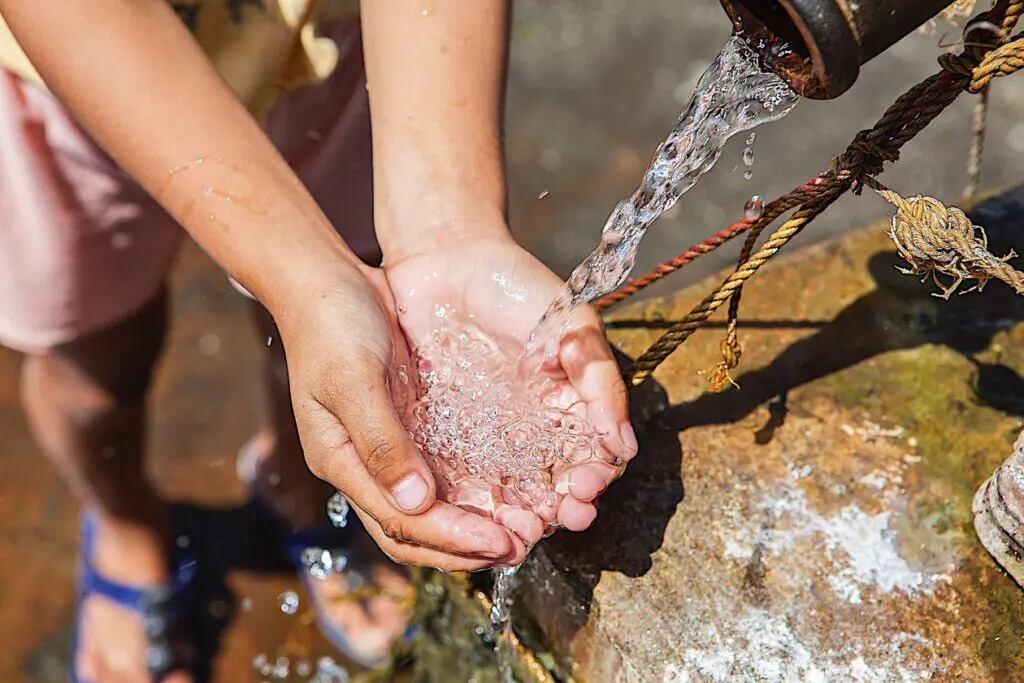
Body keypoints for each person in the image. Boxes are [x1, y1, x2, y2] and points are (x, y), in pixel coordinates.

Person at [0, 1, 636, 680]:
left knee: (341, 326)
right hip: (73, 76)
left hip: (327, 48)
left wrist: (448, 227)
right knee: (97, 367)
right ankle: (124, 523)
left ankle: (296, 484)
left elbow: (340, 296)